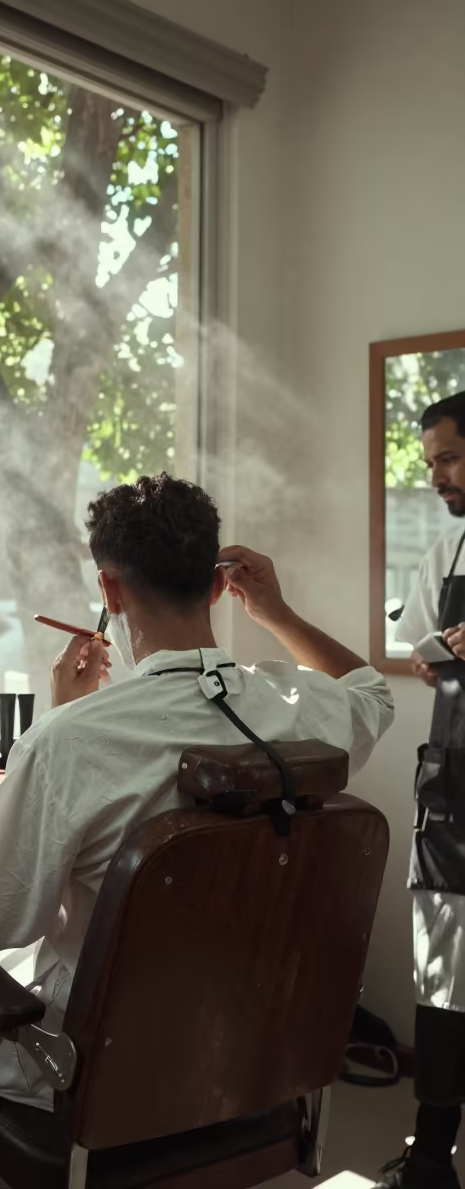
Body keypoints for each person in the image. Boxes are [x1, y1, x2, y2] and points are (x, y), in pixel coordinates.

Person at [0, 473, 394, 1183]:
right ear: (216, 587)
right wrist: (276, 612)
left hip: (94, 1069)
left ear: (109, 592)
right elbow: (373, 692)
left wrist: (57, 722)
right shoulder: (303, 709)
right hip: (256, 1060)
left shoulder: (72, 741)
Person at [377, 393, 465, 1189]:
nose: (436, 475)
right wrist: (439, 649)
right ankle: (432, 1159)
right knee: (442, 990)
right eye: (432, 461)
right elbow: (416, 646)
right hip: (453, 795)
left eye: (448, 458)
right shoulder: (447, 549)